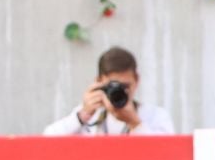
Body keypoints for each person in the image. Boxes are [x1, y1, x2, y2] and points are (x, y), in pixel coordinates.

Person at [41, 48, 177, 136]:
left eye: (125, 86)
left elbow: (167, 153)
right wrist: (82, 117)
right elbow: (47, 139)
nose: (120, 92)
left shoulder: (154, 116)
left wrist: (136, 124)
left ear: (136, 80)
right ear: (98, 82)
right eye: (113, 86)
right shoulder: (88, 115)